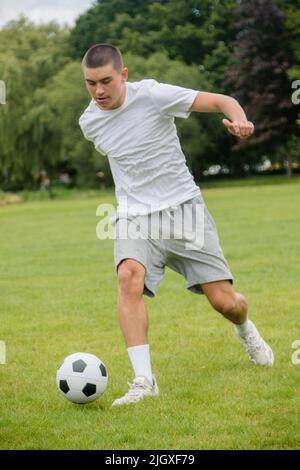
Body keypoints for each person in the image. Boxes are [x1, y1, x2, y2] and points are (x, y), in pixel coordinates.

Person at [79, 44, 274, 407]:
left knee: (226, 303)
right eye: (90, 83)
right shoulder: (90, 122)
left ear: (123, 75)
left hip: (186, 211)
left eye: (106, 81)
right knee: (128, 277)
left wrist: (241, 119)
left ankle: (246, 330)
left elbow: (221, 100)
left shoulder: (153, 95)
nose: (99, 91)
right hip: (135, 216)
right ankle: (143, 381)